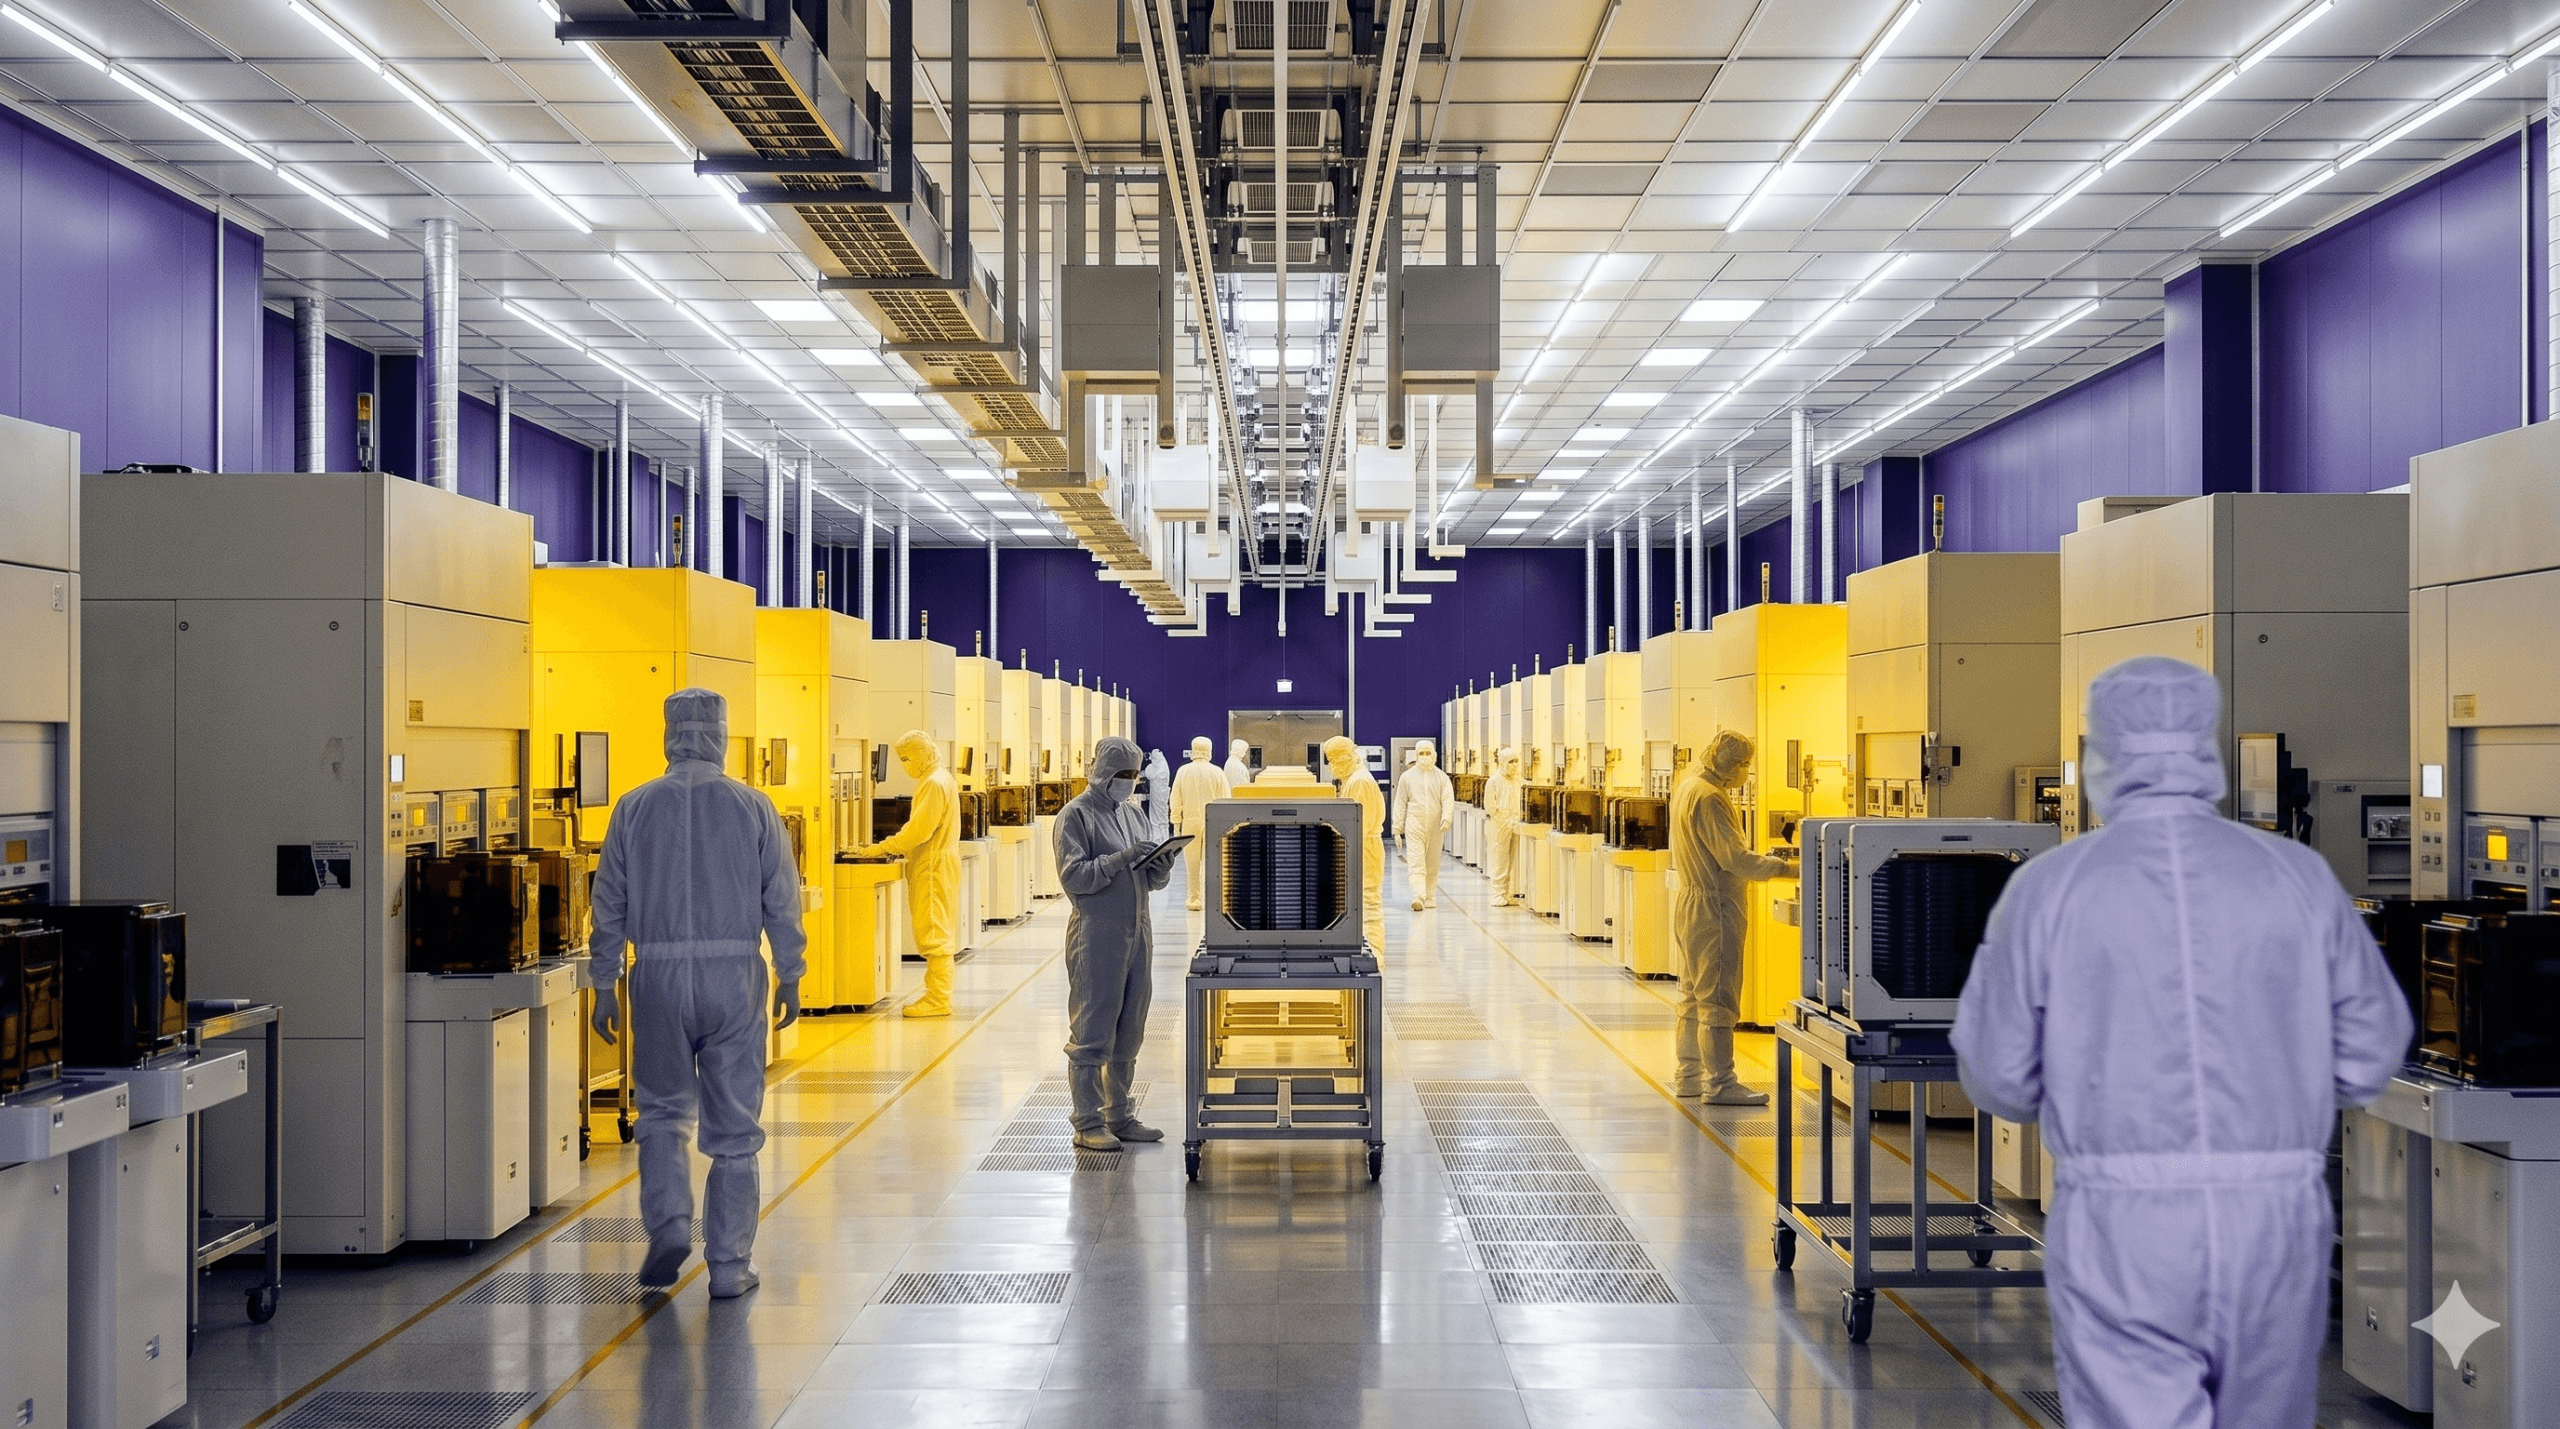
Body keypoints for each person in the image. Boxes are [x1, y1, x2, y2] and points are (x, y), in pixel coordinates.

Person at [1953, 656, 2408, 1428]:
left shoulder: (2051, 888)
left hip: (2124, 1220)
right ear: (2205, 741)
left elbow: (1997, 1075)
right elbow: (2373, 1050)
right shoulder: (2295, 876)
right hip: (2276, 1215)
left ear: (2103, 751)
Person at [589, 689, 806, 1297]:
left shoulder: (633, 807)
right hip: (732, 976)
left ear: (668, 733)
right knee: (734, 1129)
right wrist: (791, 971)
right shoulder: (753, 807)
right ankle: (731, 1268)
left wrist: (603, 982)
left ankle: (668, 1226)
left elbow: (608, 901)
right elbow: (780, 898)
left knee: (660, 1113)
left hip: (655, 975)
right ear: (721, 733)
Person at [1054, 736, 1180, 1150]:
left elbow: (1149, 881)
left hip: (1137, 932)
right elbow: (1075, 878)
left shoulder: (1132, 814)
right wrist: (1123, 858)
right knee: (1093, 1028)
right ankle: (1087, 1121)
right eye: (1123, 774)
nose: (1129, 781)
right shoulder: (1075, 817)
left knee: (1130, 1027)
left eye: (1134, 774)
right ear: (1103, 771)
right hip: (1097, 935)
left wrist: (1159, 866)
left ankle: (1119, 1114)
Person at [1669, 731, 1794, 1104]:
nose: (1745, 771)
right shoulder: (1711, 798)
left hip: (1690, 903)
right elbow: (1734, 859)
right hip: (1715, 908)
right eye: (1743, 764)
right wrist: (1788, 869)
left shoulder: (1688, 787)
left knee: (1691, 995)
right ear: (1727, 762)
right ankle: (1721, 1082)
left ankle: (1688, 1076)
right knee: (1719, 998)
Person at [851, 730, 960, 1018]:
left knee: (934, 932)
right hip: (935, 862)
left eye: (906, 758)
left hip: (933, 865)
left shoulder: (934, 783)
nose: (905, 765)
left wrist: (882, 848)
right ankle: (938, 995)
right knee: (936, 928)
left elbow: (919, 830)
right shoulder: (939, 778)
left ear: (922, 754)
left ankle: (938, 999)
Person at [1321, 735, 1387, 958]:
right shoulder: (1352, 779)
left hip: (1365, 851)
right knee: (1358, 904)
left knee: (1368, 905)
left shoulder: (1360, 781)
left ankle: (1375, 956)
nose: (1331, 767)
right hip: (1359, 849)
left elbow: (1361, 825)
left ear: (1346, 758)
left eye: (1333, 761)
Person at [1168, 736, 1232, 912]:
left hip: (1190, 820)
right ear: (1209, 750)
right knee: (1213, 861)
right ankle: (1214, 899)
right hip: (1213, 821)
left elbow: (1175, 798)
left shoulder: (1183, 771)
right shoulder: (1217, 772)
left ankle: (1194, 898)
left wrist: (1176, 823)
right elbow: (1226, 800)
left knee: (1192, 861)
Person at [1396, 740, 1454, 911]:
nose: (1425, 756)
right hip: (1414, 824)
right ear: (1416, 755)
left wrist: (1446, 817)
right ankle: (1418, 896)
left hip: (1436, 826)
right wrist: (1397, 829)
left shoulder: (1441, 777)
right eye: (1421, 753)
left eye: (1428, 752)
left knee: (1432, 862)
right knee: (1416, 862)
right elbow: (1400, 803)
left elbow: (1448, 799)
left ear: (1434, 754)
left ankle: (1429, 895)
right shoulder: (1407, 777)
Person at [1484, 746, 1524, 906]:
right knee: (1500, 859)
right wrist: (1501, 817)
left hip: (1515, 823)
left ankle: (1507, 893)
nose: (1514, 765)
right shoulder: (1494, 781)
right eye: (1510, 762)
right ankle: (1497, 893)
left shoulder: (1519, 781)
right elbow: (1490, 806)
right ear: (1502, 762)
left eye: (1516, 761)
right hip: (1499, 825)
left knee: (1512, 859)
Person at [1143, 748, 1172, 842]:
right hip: (1162, 795)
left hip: (1158, 795)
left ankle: (1158, 838)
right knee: (1161, 815)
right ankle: (1163, 837)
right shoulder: (1163, 765)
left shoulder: (1157, 766)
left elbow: (1149, 774)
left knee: (1156, 816)